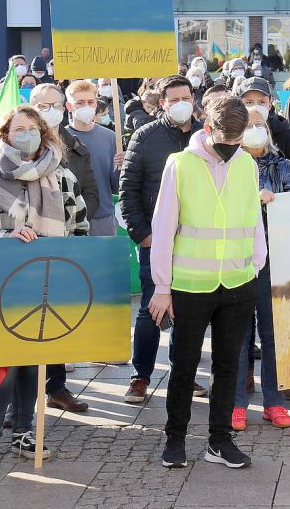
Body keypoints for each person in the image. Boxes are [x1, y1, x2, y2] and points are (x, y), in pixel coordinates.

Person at [0, 106, 89, 470]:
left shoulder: (61, 176)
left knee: (34, 361)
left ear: (44, 133)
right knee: (4, 363)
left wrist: (68, 265)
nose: (27, 134)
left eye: (33, 128)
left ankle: (24, 432)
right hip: (3, 284)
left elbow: (80, 227)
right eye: (19, 129)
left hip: (48, 282)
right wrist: (5, 236)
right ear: (4, 135)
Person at [148, 96, 263, 469]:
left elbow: (253, 217)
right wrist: (162, 287)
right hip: (190, 284)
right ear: (208, 129)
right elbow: (163, 228)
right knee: (184, 364)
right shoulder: (180, 164)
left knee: (229, 365)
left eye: (237, 141)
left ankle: (219, 440)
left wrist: (256, 263)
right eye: (226, 141)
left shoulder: (246, 163)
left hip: (238, 281)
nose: (231, 149)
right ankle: (175, 438)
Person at [119, 75, 206, 404]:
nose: (182, 103)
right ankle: (140, 376)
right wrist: (142, 234)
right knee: (151, 309)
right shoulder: (145, 136)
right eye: (174, 99)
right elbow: (128, 190)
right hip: (156, 241)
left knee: (190, 311)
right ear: (162, 104)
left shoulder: (205, 136)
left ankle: (184, 374)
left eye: (187, 96)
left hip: (196, 241)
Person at [230, 108, 290, 432]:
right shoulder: (228, 167)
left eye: (259, 124)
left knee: (272, 335)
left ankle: (274, 402)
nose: (254, 130)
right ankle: (236, 404)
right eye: (247, 125)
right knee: (240, 335)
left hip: (275, 258)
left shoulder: (283, 165)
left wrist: (278, 201)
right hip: (238, 260)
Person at [29, 83, 97, 413]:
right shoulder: (4, 158)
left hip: (60, 252)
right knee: (23, 325)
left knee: (53, 323)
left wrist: (75, 250)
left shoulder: (73, 148)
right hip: (21, 258)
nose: (50, 112)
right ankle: (21, 398)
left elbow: (85, 201)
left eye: (56, 105)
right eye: (44, 106)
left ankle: (56, 386)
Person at [65, 80, 121, 236]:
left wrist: (122, 168)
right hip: (70, 219)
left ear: (96, 104)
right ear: (69, 107)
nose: (86, 107)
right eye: (80, 103)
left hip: (103, 217)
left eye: (90, 102)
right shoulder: (60, 138)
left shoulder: (111, 138)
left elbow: (116, 185)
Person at [235, 77, 290, 163]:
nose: (256, 107)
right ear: (240, 105)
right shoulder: (234, 136)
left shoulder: (287, 138)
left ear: (270, 103)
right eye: (249, 103)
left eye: (261, 102)